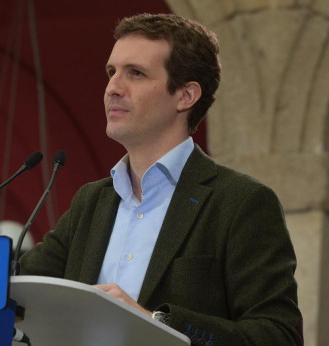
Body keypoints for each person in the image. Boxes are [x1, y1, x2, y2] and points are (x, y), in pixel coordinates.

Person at [19, 13, 303, 345]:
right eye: (112, 72)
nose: (113, 88)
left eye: (135, 73)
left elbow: (278, 335)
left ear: (185, 96)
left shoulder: (241, 202)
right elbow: (18, 290)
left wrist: (156, 320)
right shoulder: (90, 203)